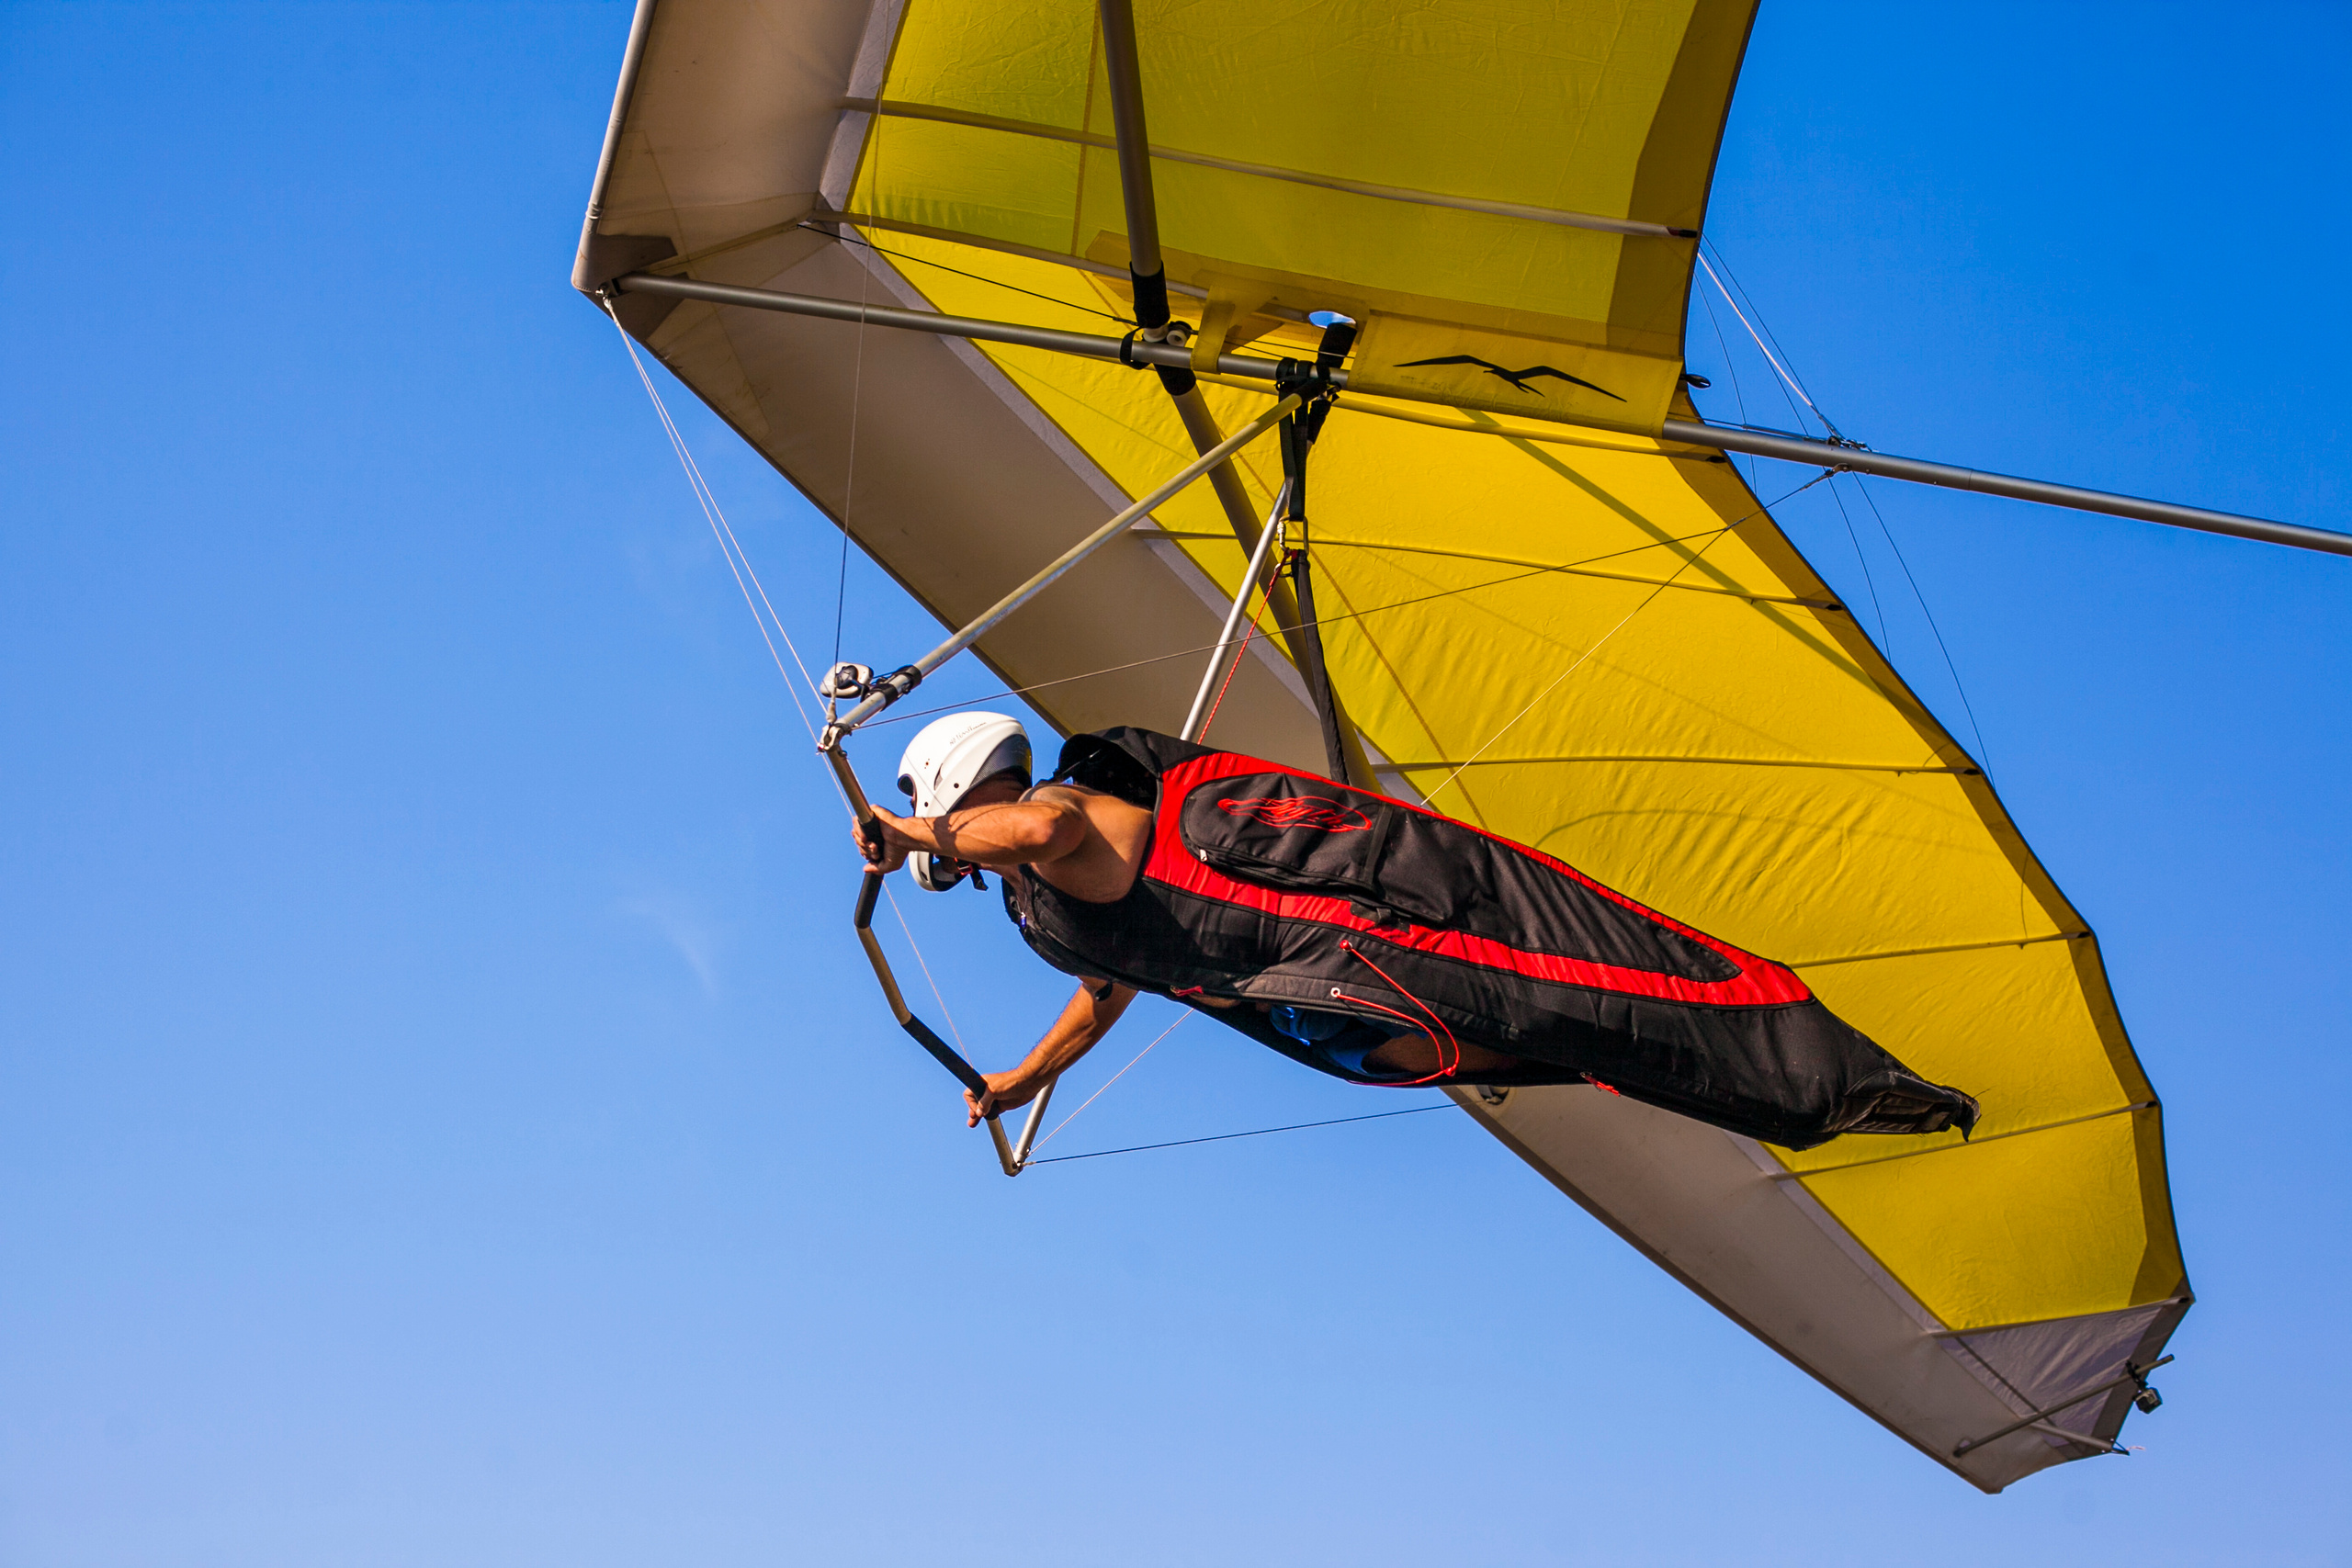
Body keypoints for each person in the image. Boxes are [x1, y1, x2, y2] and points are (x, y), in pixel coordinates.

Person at [858, 713, 1978, 1152]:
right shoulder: (1050, 910)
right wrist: (1018, 1076)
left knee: (1599, 983)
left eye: (950, 840)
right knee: (1581, 1050)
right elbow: (1108, 986)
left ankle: (1835, 1070)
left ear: (957, 794)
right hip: (1333, 986)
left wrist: (918, 829)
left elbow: (1031, 828)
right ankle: (1811, 1104)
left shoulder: (1068, 807)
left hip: (1386, 917)